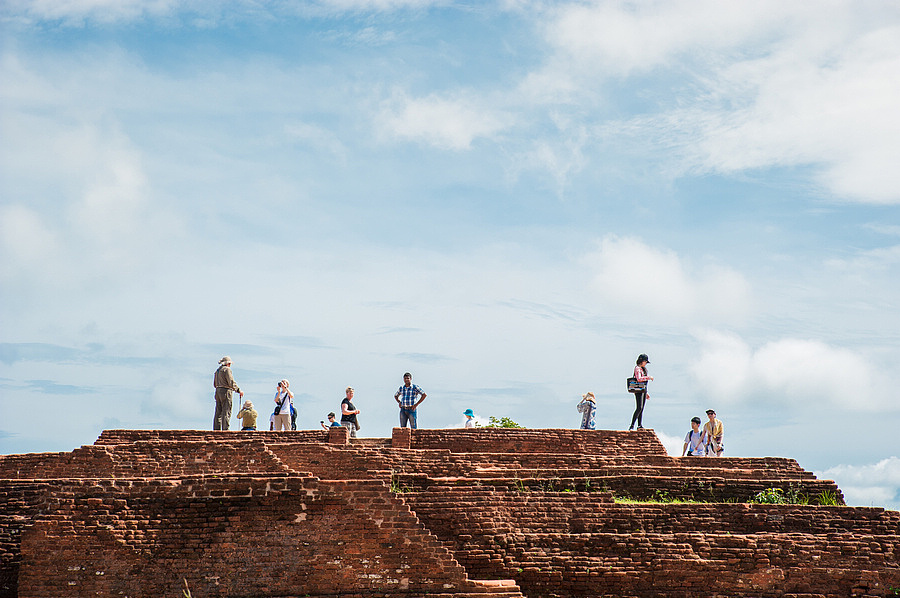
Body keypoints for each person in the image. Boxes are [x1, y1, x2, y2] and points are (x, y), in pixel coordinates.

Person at [213, 356, 243, 431]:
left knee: (218, 412)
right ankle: (225, 429)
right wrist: (238, 390)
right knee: (226, 411)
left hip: (218, 390)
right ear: (228, 363)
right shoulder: (227, 370)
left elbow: (214, 384)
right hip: (226, 391)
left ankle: (216, 429)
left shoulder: (217, 371)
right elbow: (231, 382)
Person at [628, 354, 653, 431]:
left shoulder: (642, 369)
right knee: (639, 407)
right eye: (645, 361)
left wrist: (646, 392)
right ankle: (632, 425)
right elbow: (639, 379)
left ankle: (639, 425)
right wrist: (648, 377)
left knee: (641, 408)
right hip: (639, 391)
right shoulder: (637, 368)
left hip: (643, 390)